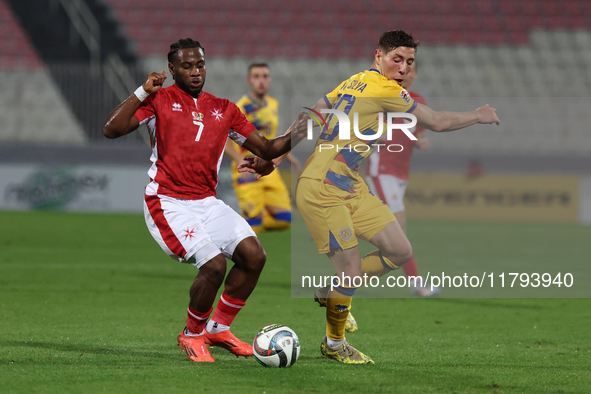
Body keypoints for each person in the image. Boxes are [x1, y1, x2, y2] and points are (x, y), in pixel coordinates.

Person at [240, 30, 499, 364]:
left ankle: (328, 293)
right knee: (349, 271)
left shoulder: (356, 81)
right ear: (379, 56)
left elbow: (313, 115)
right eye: (397, 60)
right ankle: (334, 344)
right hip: (323, 190)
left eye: (409, 62)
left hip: (350, 186)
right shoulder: (386, 89)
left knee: (399, 250)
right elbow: (434, 120)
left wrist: (275, 155)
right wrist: (477, 115)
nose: (403, 68)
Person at [102, 38, 301, 363]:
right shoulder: (159, 100)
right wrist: (142, 91)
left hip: (207, 202)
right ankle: (192, 335)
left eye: (200, 65)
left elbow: (266, 149)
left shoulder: (224, 109)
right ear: (172, 69)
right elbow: (112, 129)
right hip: (167, 202)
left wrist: (305, 128)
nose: (195, 72)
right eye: (187, 66)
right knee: (214, 265)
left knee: (254, 257)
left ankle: (218, 328)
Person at [365, 61, 441, 297]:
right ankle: (416, 283)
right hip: (382, 169)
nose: (404, 73)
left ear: (415, 74)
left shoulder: (418, 102)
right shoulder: (384, 96)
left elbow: (414, 134)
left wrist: (419, 142)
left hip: (401, 173)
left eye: (409, 70)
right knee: (398, 229)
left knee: (388, 232)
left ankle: (335, 224)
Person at [224, 63, 301, 234]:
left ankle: (242, 223)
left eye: (265, 76)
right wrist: (238, 159)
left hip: (269, 169)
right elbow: (224, 138)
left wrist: (288, 157)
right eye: (256, 76)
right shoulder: (241, 107)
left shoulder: (273, 104)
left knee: (285, 219)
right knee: (254, 224)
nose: (261, 81)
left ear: (270, 80)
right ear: (249, 80)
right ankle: (243, 226)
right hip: (247, 168)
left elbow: (272, 138)